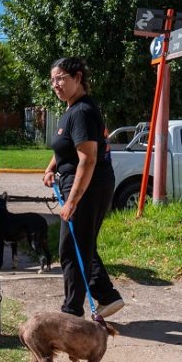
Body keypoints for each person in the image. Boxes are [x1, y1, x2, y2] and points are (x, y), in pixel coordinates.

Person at [42, 57, 124, 318]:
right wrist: (51, 167)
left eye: (61, 78)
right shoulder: (73, 109)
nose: (55, 84)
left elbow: (88, 159)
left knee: (70, 249)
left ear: (77, 78)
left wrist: (72, 201)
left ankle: (71, 313)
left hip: (88, 187)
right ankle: (107, 296)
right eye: (52, 80)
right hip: (82, 185)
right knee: (81, 243)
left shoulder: (82, 112)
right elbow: (66, 146)